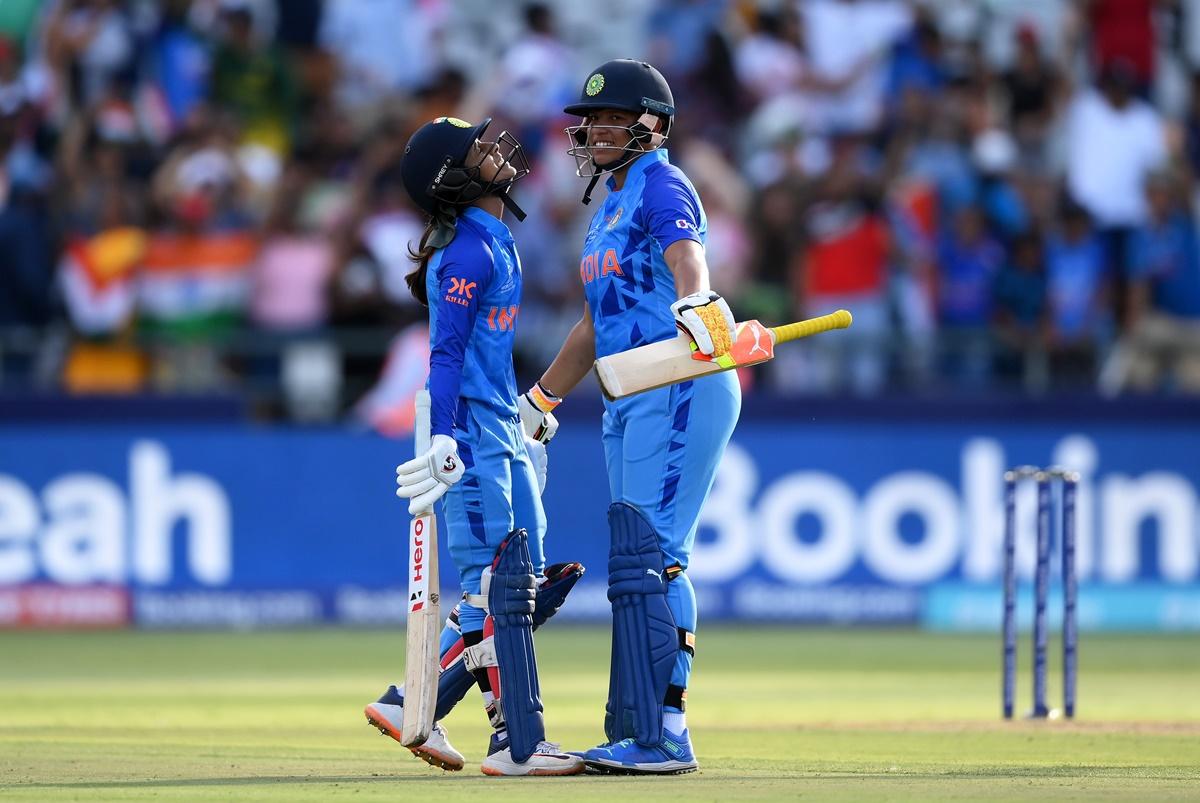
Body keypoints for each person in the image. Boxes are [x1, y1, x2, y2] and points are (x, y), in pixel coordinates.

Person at [517, 59, 741, 774]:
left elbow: (688, 256)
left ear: (655, 125)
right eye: (593, 119)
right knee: (637, 560)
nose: (599, 129)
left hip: (678, 380)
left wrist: (695, 302)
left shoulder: (662, 183)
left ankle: (666, 731)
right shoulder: (608, 204)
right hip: (626, 393)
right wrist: (541, 400)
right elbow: (593, 322)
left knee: (655, 555)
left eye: (616, 117)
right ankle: (635, 724)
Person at [362, 116, 584, 777]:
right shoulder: (464, 254)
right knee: (502, 587)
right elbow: (446, 355)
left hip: (500, 424)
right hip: (471, 431)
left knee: (522, 585)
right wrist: (445, 441)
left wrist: (525, 419)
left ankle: (413, 701)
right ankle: (516, 740)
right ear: (451, 177)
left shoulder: (495, 240)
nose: (496, 149)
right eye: (478, 148)